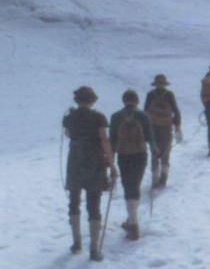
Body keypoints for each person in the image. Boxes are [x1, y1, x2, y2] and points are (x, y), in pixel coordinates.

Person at [63, 86, 118, 262]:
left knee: (74, 201)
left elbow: (68, 134)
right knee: (93, 204)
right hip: (95, 163)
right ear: (92, 100)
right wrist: (112, 164)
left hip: (74, 163)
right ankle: (94, 248)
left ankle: (76, 242)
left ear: (77, 100)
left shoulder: (69, 117)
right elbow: (104, 140)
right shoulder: (98, 117)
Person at [109, 89, 154, 241]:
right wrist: (156, 152)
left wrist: (109, 160)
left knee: (128, 186)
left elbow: (112, 141)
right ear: (137, 101)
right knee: (136, 185)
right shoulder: (143, 116)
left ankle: (132, 223)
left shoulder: (116, 117)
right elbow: (150, 137)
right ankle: (133, 222)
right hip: (140, 154)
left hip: (123, 155)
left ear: (123, 101)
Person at [144, 74, 182, 188]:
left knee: (154, 153)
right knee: (166, 153)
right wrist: (177, 126)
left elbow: (145, 111)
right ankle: (163, 178)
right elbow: (176, 111)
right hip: (166, 127)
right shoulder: (169, 95)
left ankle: (155, 179)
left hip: (153, 127)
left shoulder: (150, 95)